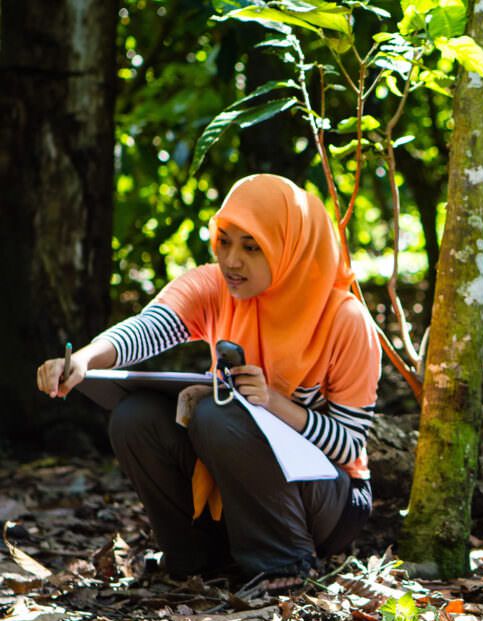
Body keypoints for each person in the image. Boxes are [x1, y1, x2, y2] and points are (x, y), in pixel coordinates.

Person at [35, 174, 381, 586]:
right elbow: (149, 328)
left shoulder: (344, 319)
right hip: (244, 484)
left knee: (218, 416)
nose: (232, 260)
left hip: (332, 501)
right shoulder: (216, 286)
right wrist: (84, 360)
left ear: (289, 248)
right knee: (135, 416)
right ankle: (196, 559)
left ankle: (286, 563)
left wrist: (273, 403)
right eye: (225, 240)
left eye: (252, 247)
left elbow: (348, 444)